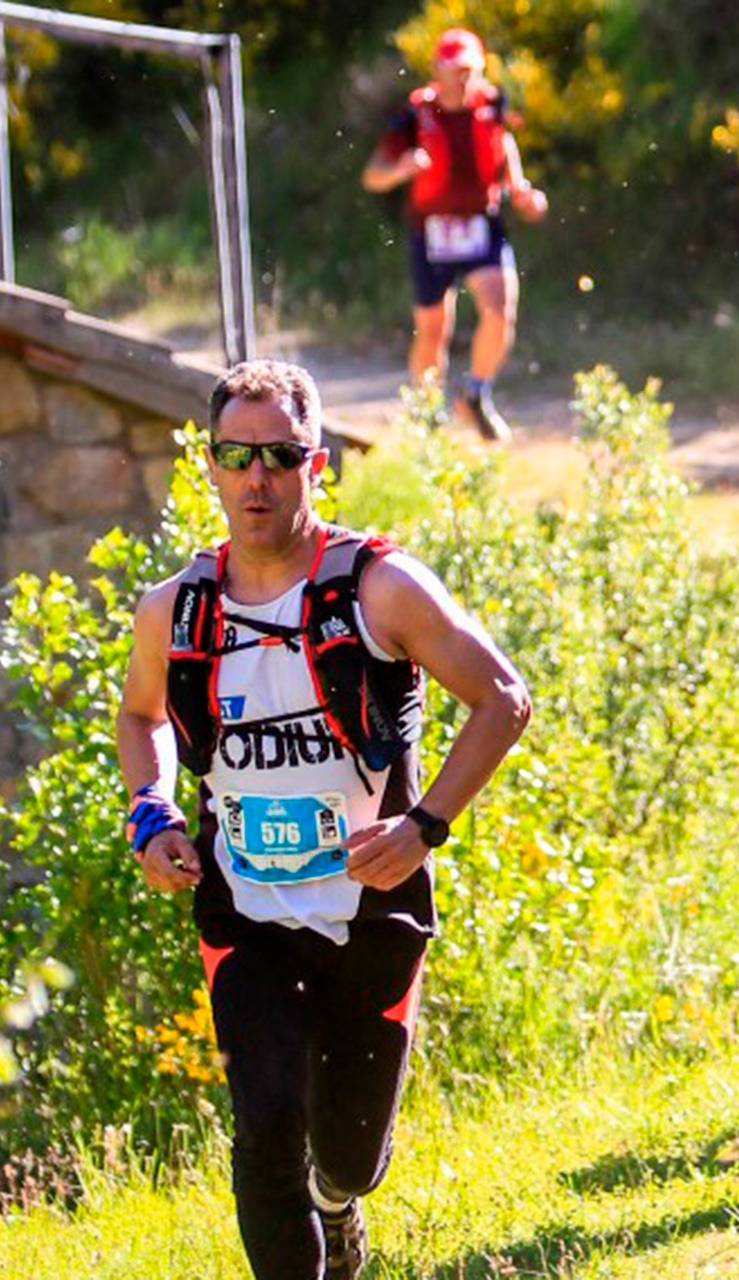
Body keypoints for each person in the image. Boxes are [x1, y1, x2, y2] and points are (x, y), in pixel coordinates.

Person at [115, 360, 532, 1280]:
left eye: (279, 455)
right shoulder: (176, 610)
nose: (257, 478)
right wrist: (153, 812)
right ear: (211, 465)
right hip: (245, 909)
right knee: (264, 1122)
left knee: (349, 1155)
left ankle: (337, 1201)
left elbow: (503, 699)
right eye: (236, 456)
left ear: (317, 463)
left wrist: (424, 826)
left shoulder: (378, 588)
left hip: (372, 908)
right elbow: (141, 716)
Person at [362, 27, 548, 442]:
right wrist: (401, 169)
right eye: (456, 70)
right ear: (437, 70)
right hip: (431, 231)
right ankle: (426, 411)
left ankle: (476, 393)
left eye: (471, 70)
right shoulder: (414, 117)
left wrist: (519, 188)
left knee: (499, 308)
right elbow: (372, 176)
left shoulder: (492, 105)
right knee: (433, 329)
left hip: (482, 222)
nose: (464, 79)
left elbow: (504, 142)